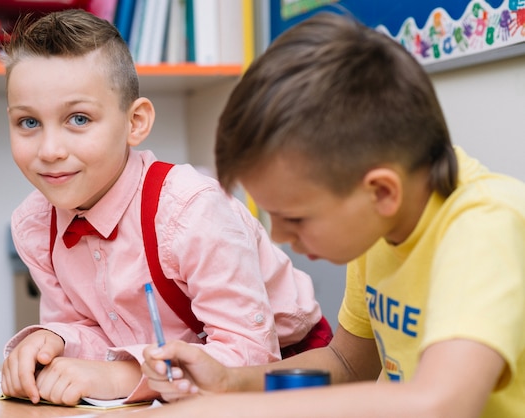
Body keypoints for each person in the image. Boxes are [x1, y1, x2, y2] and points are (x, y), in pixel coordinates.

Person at [137, 11, 525, 418]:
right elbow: (346, 364)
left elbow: (440, 403)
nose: (282, 237)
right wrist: (228, 382)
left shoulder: (485, 228)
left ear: (381, 191)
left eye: (296, 218)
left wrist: (219, 412)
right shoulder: (382, 224)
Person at [0, 9, 330, 407]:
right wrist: (55, 341)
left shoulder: (190, 209)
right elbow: (93, 333)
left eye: (79, 118)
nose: (50, 151)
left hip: (287, 366)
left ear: (135, 122)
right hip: (170, 386)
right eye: (28, 123)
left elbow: (250, 355)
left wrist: (125, 374)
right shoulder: (35, 226)